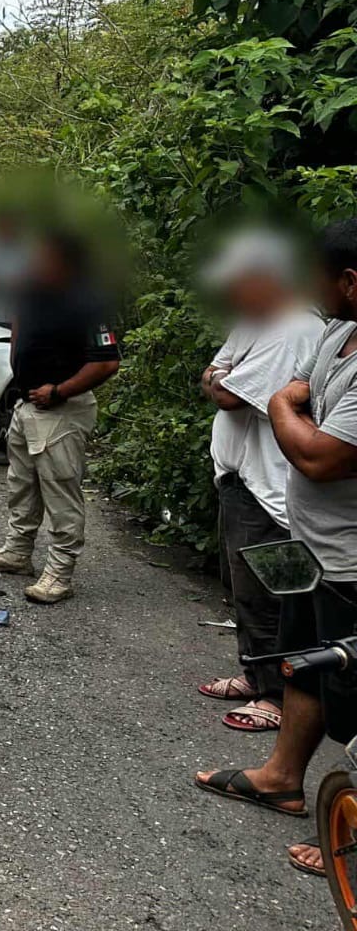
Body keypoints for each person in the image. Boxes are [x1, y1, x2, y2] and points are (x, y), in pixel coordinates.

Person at [195, 218, 357, 880]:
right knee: (304, 665)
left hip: (352, 561)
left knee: (355, 693)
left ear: (349, 280)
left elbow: (317, 454)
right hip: (316, 545)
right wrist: (292, 405)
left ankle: (349, 828)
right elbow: (287, 400)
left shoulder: (308, 328)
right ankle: (283, 778)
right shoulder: (342, 335)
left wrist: (286, 406)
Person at [195, 231, 323, 733]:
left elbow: (227, 392)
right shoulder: (256, 321)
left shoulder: (294, 328)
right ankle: (255, 673)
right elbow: (215, 375)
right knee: (243, 586)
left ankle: (277, 695)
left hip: (271, 486)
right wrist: (220, 378)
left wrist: (221, 379)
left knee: (276, 591)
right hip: (238, 474)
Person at [0, 231, 121, 603]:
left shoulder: (88, 304)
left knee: (60, 491)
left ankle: (59, 572)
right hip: (26, 405)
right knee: (21, 485)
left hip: (61, 410)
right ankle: (17, 553)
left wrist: (58, 391)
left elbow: (107, 362)